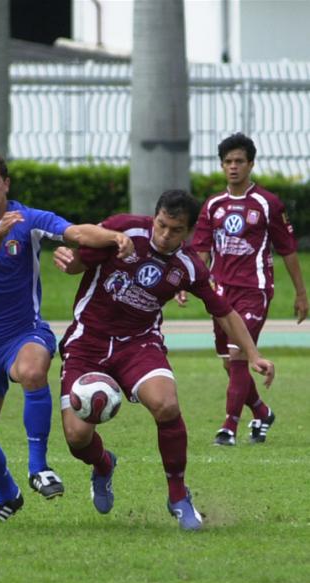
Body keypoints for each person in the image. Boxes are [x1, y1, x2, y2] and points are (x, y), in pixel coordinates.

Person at [53, 189, 275, 531]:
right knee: (77, 437)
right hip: (88, 341)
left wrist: (254, 354)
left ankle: (177, 496)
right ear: (153, 217)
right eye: (161, 225)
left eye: (175, 230)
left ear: (187, 232)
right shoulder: (125, 230)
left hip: (139, 344)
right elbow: (82, 252)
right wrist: (72, 263)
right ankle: (103, 464)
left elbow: (225, 313)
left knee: (167, 405)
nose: (165, 234)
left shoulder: (188, 265)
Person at [0, 150, 134, 522]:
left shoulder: (28, 217)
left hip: (25, 331)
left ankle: (39, 467)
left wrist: (113, 236)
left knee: (33, 371)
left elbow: (76, 232)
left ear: (6, 184)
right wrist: (0, 229)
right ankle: (8, 494)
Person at [190, 132, 308, 446]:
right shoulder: (213, 205)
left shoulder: (268, 204)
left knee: (239, 353)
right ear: (221, 165)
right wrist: (188, 282)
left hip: (254, 289)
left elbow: (288, 250)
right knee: (231, 363)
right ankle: (261, 410)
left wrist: (300, 293)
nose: (233, 167)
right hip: (218, 292)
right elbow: (200, 249)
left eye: (239, 161)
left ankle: (228, 426)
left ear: (251, 164)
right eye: (227, 161)